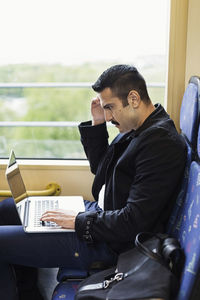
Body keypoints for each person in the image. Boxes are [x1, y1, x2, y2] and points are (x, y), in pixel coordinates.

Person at [0, 64, 186, 299]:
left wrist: (78, 221)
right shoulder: (138, 128)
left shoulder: (161, 144)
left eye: (110, 108)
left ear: (134, 98)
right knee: (7, 209)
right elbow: (104, 172)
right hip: (100, 215)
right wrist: (97, 124)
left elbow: (134, 221)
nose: (108, 116)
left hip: (108, 242)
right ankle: (26, 292)